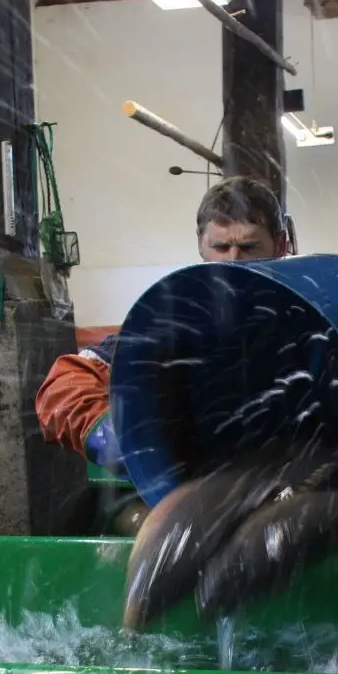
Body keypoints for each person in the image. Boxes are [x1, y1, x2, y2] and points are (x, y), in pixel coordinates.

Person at [35, 176, 290, 478]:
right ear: (200, 245)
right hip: (202, 489)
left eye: (249, 246)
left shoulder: (309, 319)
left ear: (280, 244)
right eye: (221, 247)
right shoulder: (173, 325)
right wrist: (113, 439)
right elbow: (64, 385)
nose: (233, 262)